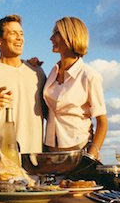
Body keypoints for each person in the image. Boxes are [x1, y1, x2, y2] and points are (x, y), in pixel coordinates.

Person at [0, 14, 46, 154]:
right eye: (13, 33)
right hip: (3, 163)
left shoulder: (37, 71)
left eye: (21, 33)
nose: (20, 38)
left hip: (38, 162)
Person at [43, 16, 108, 159]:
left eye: (56, 33)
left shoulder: (89, 76)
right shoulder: (53, 71)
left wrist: (90, 157)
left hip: (79, 150)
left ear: (70, 36)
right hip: (50, 151)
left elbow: (102, 122)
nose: (51, 38)